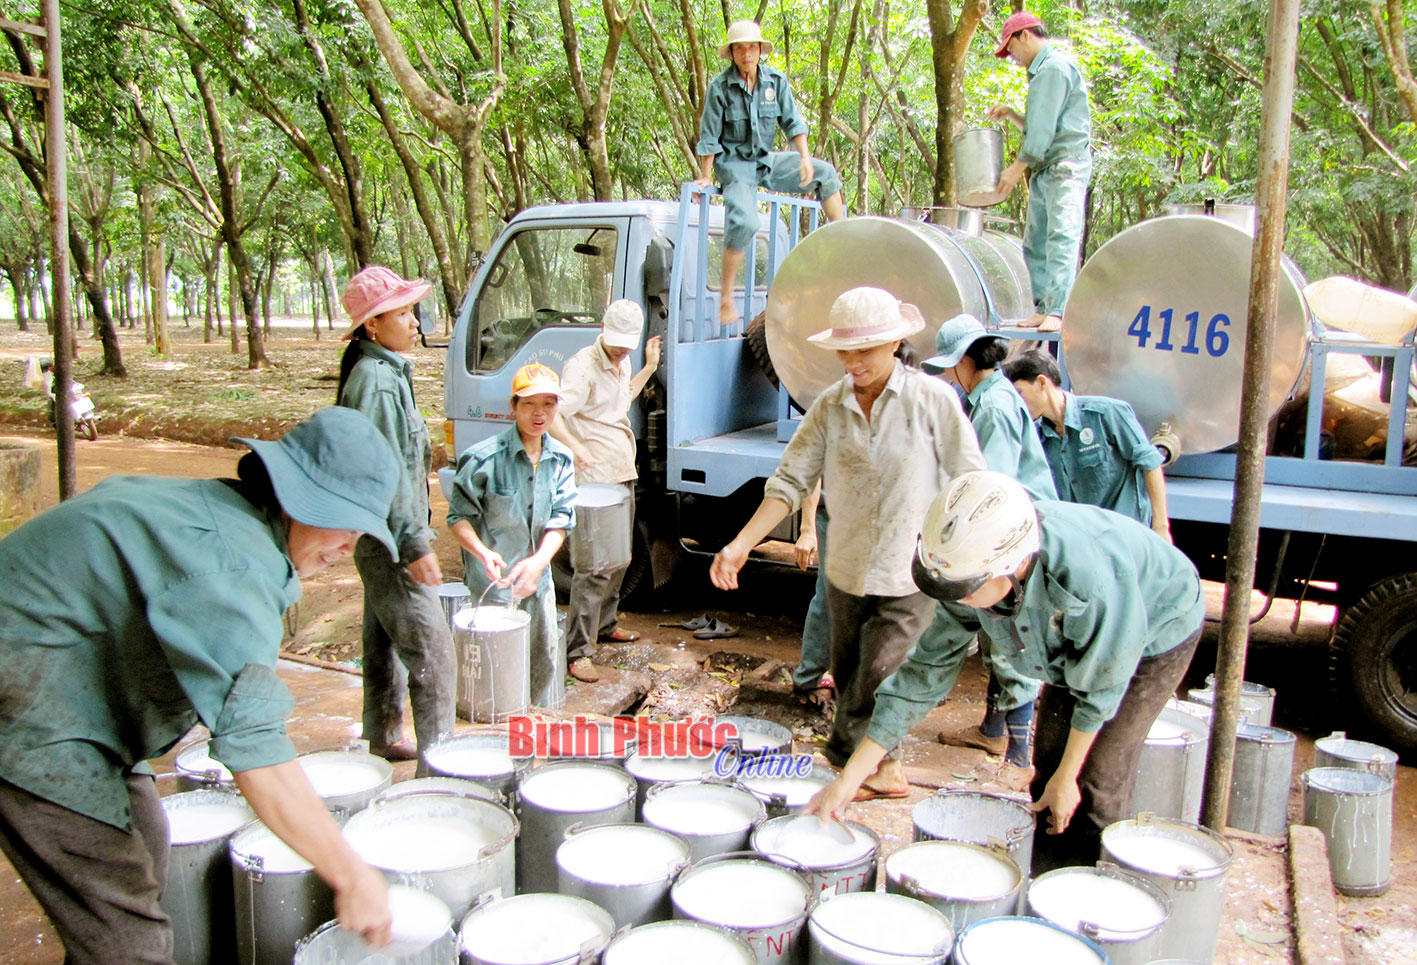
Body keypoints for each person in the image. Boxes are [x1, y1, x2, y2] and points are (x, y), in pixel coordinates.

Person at [0, 407, 402, 961]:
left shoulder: (224, 513)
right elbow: (255, 752)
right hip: (30, 713)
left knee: (145, 841)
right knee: (129, 938)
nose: (347, 548)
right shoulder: (233, 566)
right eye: (343, 523)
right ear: (295, 498)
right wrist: (350, 874)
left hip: (73, 687)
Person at [807, 470, 1203, 875]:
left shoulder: (1087, 581)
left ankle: (1091, 893)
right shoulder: (968, 577)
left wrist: (1069, 778)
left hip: (1156, 625)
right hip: (1081, 642)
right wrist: (850, 778)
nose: (959, 600)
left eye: (967, 590)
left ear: (1010, 566)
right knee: (1047, 764)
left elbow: (1101, 683)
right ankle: (1047, 881)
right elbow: (920, 678)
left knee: (1095, 778)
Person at [710, 287, 986, 796]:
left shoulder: (933, 402)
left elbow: (970, 483)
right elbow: (790, 481)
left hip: (909, 574)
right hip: (847, 570)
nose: (852, 362)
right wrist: (740, 544)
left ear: (895, 343)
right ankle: (884, 770)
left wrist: (966, 563)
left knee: (880, 675)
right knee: (848, 672)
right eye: (845, 350)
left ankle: (849, 769)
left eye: (865, 350)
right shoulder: (830, 408)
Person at [921, 315, 1057, 779]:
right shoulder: (992, 397)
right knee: (995, 630)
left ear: (963, 360)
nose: (946, 375)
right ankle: (994, 731)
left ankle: (1019, 758)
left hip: (1010, 536)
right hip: (1015, 527)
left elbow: (989, 488)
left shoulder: (994, 406)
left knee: (1008, 637)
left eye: (948, 366)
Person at [337, 265, 456, 769]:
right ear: (371, 326)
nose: (414, 322)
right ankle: (441, 768)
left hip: (377, 538)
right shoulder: (380, 384)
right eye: (402, 312)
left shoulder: (382, 374)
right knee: (435, 657)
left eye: (412, 310)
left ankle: (383, 733)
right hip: (390, 542)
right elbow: (388, 474)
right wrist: (415, 546)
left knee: (382, 639)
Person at [694, 19, 847, 325]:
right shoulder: (719, 88)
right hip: (735, 165)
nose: (746, 54)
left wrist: (804, 157)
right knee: (745, 221)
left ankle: (844, 241)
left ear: (760, 50)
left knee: (825, 173)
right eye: (739, 48)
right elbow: (709, 136)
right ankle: (725, 296)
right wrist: (707, 177)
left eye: (751, 47)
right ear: (733, 53)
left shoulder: (774, 82)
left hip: (766, 160)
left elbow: (793, 122)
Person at [447, 363, 577, 710]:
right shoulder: (483, 459)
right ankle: (495, 737)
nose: (539, 413)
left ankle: (530, 733)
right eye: (529, 404)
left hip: (539, 583)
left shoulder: (561, 459)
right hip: (494, 585)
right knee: (496, 674)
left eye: (548, 404)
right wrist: (481, 552)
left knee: (543, 662)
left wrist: (538, 562)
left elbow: (560, 520)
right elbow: (458, 518)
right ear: (513, 407)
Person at [548, 300, 662, 671]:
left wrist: (648, 367)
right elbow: (554, 415)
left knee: (620, 558)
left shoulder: (623, 359)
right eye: (615, 343)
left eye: (626, 345)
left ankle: (607, 624)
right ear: (601, 327)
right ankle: (578, 651)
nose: (619, 351)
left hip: (620, 472)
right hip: (594, 481)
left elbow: (621, 399)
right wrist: (576, 446)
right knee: (595, 565)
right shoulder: (582, 367)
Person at [988, 10, 1092, 334]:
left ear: (1026, 36)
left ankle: (1058, 308)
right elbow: (1041, 126)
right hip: (1047, 168)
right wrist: (1013, 114)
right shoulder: (1043, 73)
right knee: (1035, 242)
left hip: (1065, 166)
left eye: (1011, 49)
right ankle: (1044, 306)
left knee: (1061, 236)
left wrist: (1016, 168)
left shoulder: (1053, 69)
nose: (1013, 58)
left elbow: (1042, 136)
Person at [1005, 349, 1171, 540]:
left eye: (1020, 392)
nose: (1017, 402)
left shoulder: (1105, 414)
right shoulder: (1038, 437)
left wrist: (1161, 527)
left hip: (1126, 536)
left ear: (1042, 382)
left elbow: (1150, 463)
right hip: (1084, 544)